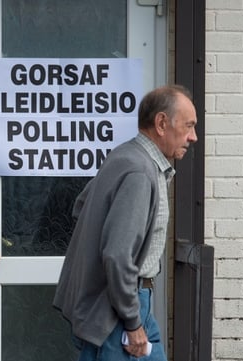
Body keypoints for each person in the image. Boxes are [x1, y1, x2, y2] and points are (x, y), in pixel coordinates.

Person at [53, 84, 198, 360]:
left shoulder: (124, 155)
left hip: (125, 304)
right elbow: (118, 254)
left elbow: (81, 207)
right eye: (189, 126)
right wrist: (131, 321)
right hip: (119, 311)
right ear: (161, 123)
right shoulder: (139, 172)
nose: (194, 137)